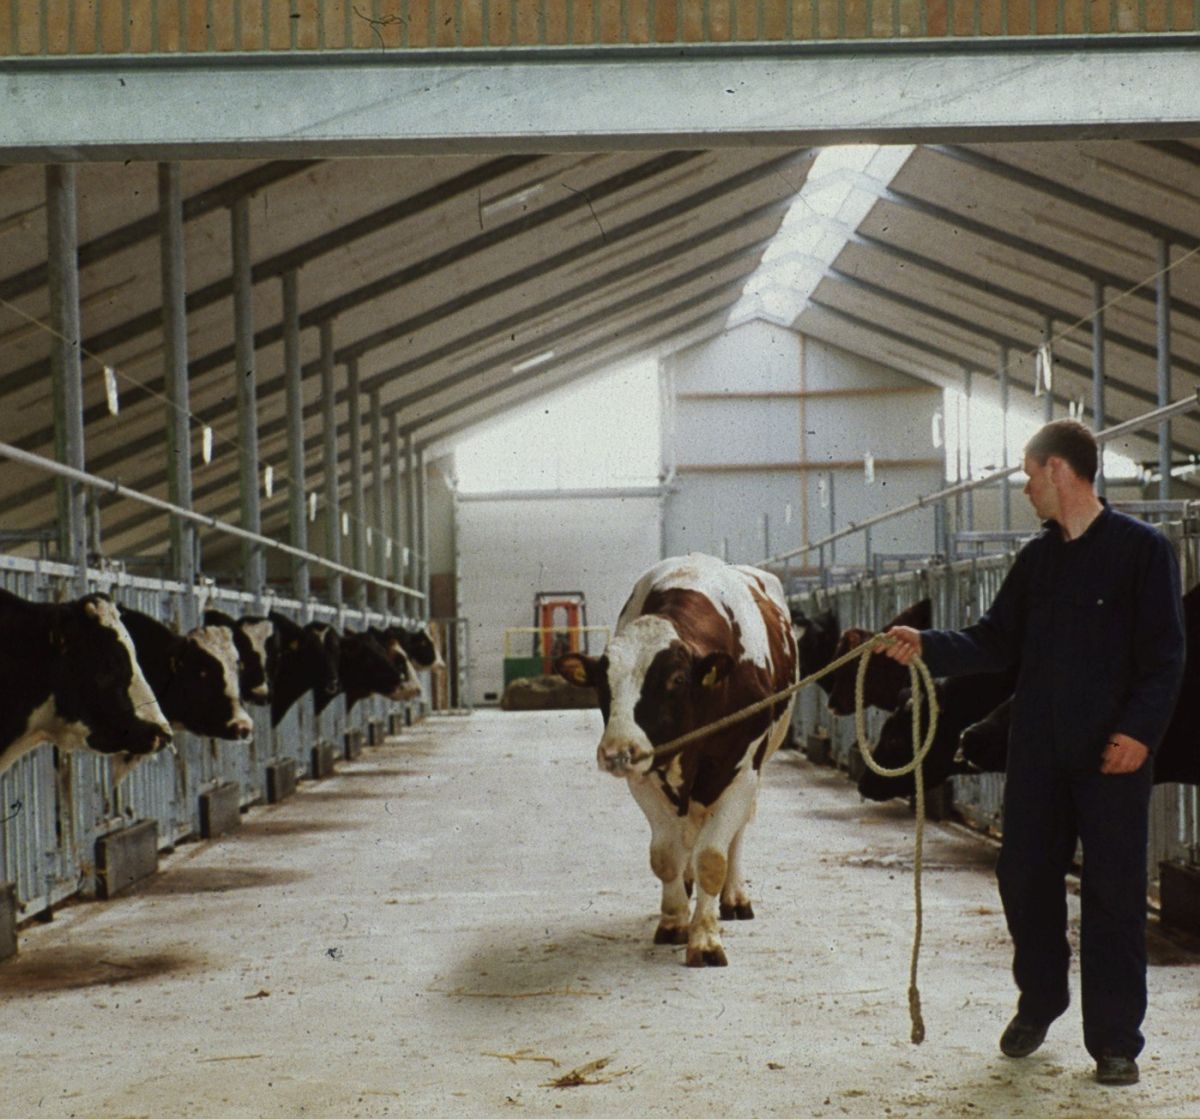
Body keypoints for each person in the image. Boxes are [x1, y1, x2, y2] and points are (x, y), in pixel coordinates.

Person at [879, 419, 1185, 1086]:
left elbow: (1166, 657)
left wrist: (1140, 732)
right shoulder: (1038, 560)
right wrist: (924, 642)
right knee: (1022, 878)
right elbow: (993, 640)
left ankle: (1113, 1040)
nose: (1023, 488)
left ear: (1059, 471)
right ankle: (1042, 997)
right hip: (1040, 755)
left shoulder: (1143, 551)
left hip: (1112, 756)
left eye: (1027, 472)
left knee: (1114, 896)